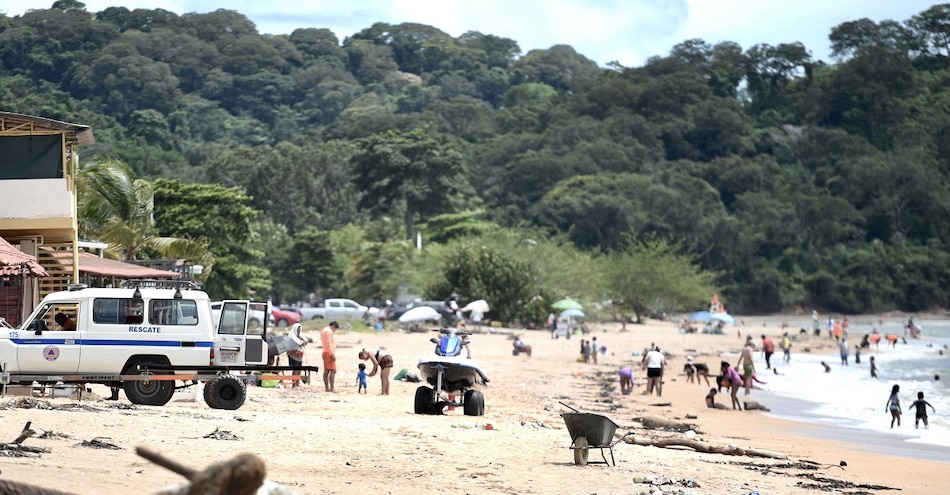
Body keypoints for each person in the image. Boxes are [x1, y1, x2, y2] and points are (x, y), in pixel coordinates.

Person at [286, 323, 308, 388]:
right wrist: (299, 343)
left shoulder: (300, 335)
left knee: (299, 369)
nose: (298, 331)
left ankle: (297, 382)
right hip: (293, 354)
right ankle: (294, 383)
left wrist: (300, 337)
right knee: (295, 369)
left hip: (299, 355)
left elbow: (305, 342)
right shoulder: (291, 336)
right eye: (297, 330)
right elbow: (292, 345)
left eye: (299, 330)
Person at [320, 321, 339, 392]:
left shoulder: (324, 330)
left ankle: (326, 387)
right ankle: (332, 387)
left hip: (324, 352)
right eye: (335, 329)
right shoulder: (329, 331)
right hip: (328, 353)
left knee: (326, 370)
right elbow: (328, 343)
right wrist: (332, 353)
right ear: (334, 327)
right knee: (333, 370)